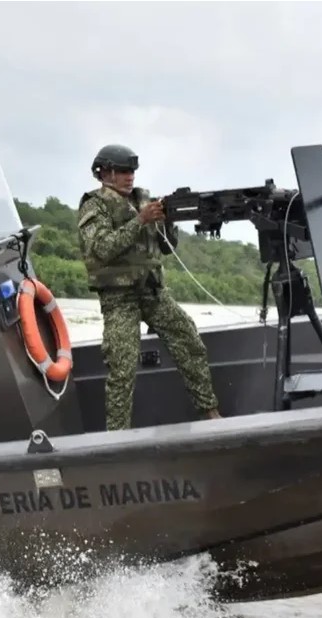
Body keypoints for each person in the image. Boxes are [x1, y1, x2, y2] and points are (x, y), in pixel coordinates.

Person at [76, 143, 222, 430]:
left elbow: (168, 248)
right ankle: (117, 438)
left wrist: (167, 222)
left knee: (189, 340)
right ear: (105, 172)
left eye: (132, 171)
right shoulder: (95, 206)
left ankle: (210, 412)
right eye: (122, 171)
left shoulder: (144, 200)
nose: (129, 176)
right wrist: (140, 220)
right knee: (122, 366)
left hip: (153, 292)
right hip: (120, 299)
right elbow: (102, 248)